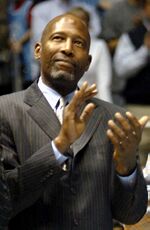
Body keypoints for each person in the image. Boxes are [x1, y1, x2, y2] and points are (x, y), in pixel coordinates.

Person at [0, 13, 149, 229]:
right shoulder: (5, 111)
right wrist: (58, 147)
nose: (68, 48)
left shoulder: (113, 119)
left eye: (78, 43)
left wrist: (126, 169)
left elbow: (131, 215)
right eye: (58, 38)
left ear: (88, 62)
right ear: (38, 50)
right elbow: (5, 202)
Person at [113, 0, 150, 166]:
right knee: (136, 157)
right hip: (138, 107)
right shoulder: (131, 35)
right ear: (144, 9)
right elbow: (122, 69)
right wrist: (145, 50)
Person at [68, 6, 113, 102]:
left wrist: (108, 113)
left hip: (90, 102)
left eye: (82, 20)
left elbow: (103, 84)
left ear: (89, 24)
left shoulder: (99, 46)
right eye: (73, 20)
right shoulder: (61, 46)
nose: (77, 24)